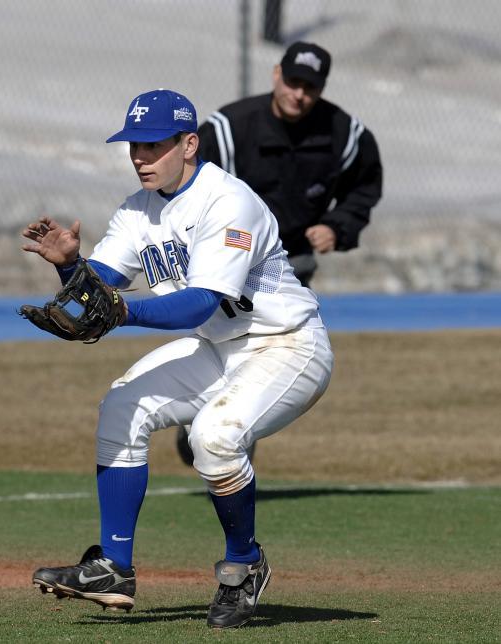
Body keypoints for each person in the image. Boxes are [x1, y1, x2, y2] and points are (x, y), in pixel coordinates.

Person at [22, 89, 333, 628]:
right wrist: (71, 268)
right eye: (133, 146)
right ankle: (114, 568)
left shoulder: (228, 201)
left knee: (213, 437)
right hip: (219, 346)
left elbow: (199, 301)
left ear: (188, 143)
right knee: (122, 407)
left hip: (286, 344)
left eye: (152, 145)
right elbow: (101, 290)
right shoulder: (138, 210)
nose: (140, 156)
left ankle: (243, 566)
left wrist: (120, 313)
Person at [176, 41, 380, 469]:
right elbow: (187, 185)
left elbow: (364, 186)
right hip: (225, 264)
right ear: (275, 75)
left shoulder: (344, 133)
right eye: (292, 82)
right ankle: (200, 415)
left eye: (310, 87)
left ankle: (228, 443)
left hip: (288, 272)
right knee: (224, 344)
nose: (299, 94)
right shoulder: (231, 128)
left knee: (268, 355)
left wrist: (338, 226)